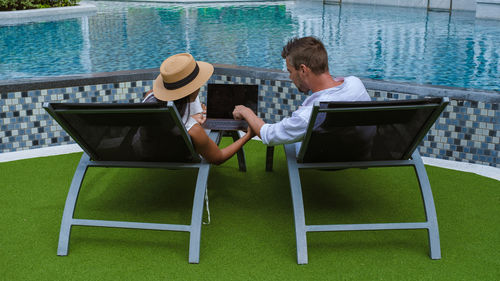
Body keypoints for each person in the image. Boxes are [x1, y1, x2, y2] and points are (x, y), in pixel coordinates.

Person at [232, 36, 372, 147]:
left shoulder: (310, 114)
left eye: (290, 71)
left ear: (303, 70)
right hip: (359, 150)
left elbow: (269, 135)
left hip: (325, 156)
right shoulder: (355, 84)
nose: (290, 77)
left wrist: (246, 111)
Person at [134, 53, 255, 165]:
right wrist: (248, 135)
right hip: (176, 155)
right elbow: (219, 158)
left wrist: (191, 117)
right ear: (193, 88)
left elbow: (167, 122)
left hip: (142, 150)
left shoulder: (150, 96)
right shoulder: (192, 129)